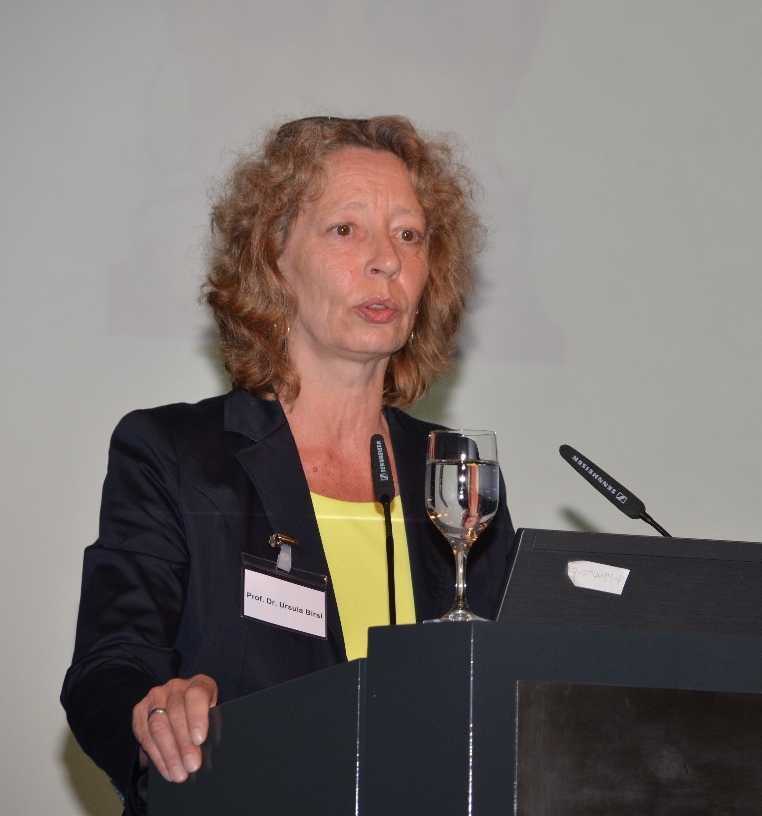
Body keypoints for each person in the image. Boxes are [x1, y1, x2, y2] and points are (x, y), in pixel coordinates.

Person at [61, 116, 515, 814]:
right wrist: (155, 714)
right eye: (345, 229)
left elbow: (505, 693)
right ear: (273, 259)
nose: (386, 261)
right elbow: (109, 667)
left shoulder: (456, 473)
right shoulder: (176, 455)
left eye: (409, 235)